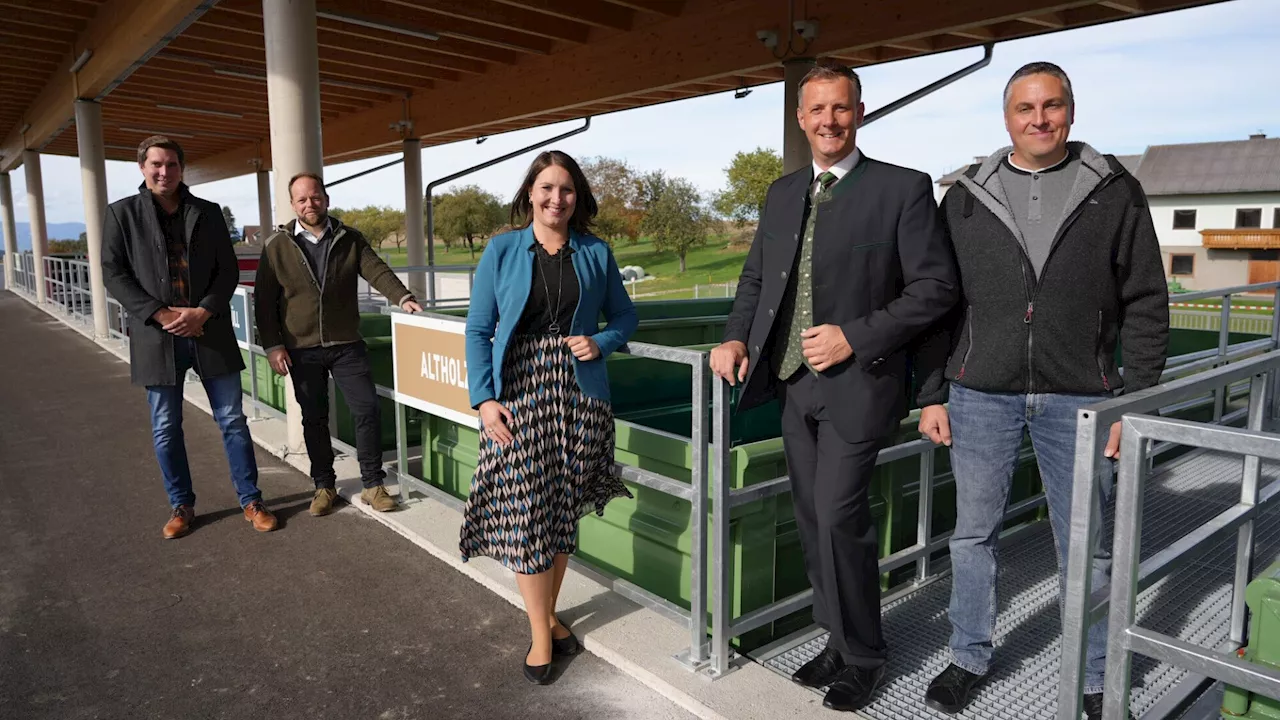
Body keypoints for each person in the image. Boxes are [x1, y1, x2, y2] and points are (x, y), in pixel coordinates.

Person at [914, 62, 1167, 720]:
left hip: (1083, 398)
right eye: (1025, 107)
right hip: (978, 394)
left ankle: (1092, 675)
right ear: (1007, 119)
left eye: (1052, 106)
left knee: (1089, 544)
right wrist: (933, 392)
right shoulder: (966, 195)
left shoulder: (1115, 190)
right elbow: (940, 306)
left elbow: (1145, 301)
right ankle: (969, 655)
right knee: (972, 537)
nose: (1039, 118)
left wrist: (1133, 402)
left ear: (1071, 113)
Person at [710, 64, 958, 712]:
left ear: (860, 111)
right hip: (796, 385)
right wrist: (736, 337)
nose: (829, 120)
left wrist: (856, 335)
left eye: (840, 108)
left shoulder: (903, 189)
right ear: (801, 117)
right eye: (817, 109)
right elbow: (756, 280)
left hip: (861, 386)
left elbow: (936, 290)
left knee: (841, 517)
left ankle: (866, 657)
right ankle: (839, 640)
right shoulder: (781, 191)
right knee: (813, 517)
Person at [460, 150, 638, 685]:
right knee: (525, 510)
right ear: (530, 193)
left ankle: (548, 617)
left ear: (577, 197)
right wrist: (484, 398)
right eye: (546, 188)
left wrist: (601, 340)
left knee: (559, 510)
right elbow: (477, 329)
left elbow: (626, 315)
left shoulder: (595, 252)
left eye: (566, 189)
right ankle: (542, 632)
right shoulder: (503, 249)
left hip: (579, 394)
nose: (556, 198)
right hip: (517, 393)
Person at [101, 135, 277, 539]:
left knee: (232, 421)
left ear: (182, 168)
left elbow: (227, 270)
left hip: (208, 330)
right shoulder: (121, 214)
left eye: (172, 165)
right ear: (143, 169)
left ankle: (251, 500)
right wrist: (160, 314)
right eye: (156, 165)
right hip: (157, 337)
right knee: (166, 426)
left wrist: (203, 311)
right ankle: (181, 505)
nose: (165, 172)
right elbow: (114, 273)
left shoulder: (208, 212)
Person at [254, 172, 423, 517]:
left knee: (367, 409)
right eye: (301, 199)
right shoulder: (276, 246)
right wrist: (273, 345)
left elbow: (376, 270)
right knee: (314, 418)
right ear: (292, 205)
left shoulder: (349, 238)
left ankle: (373, 484)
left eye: (315, 197)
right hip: (300, 348)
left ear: (326, 199)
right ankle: (323, 485)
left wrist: (403, 297)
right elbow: (263, 302)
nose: (309, 204)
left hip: (346, 343)